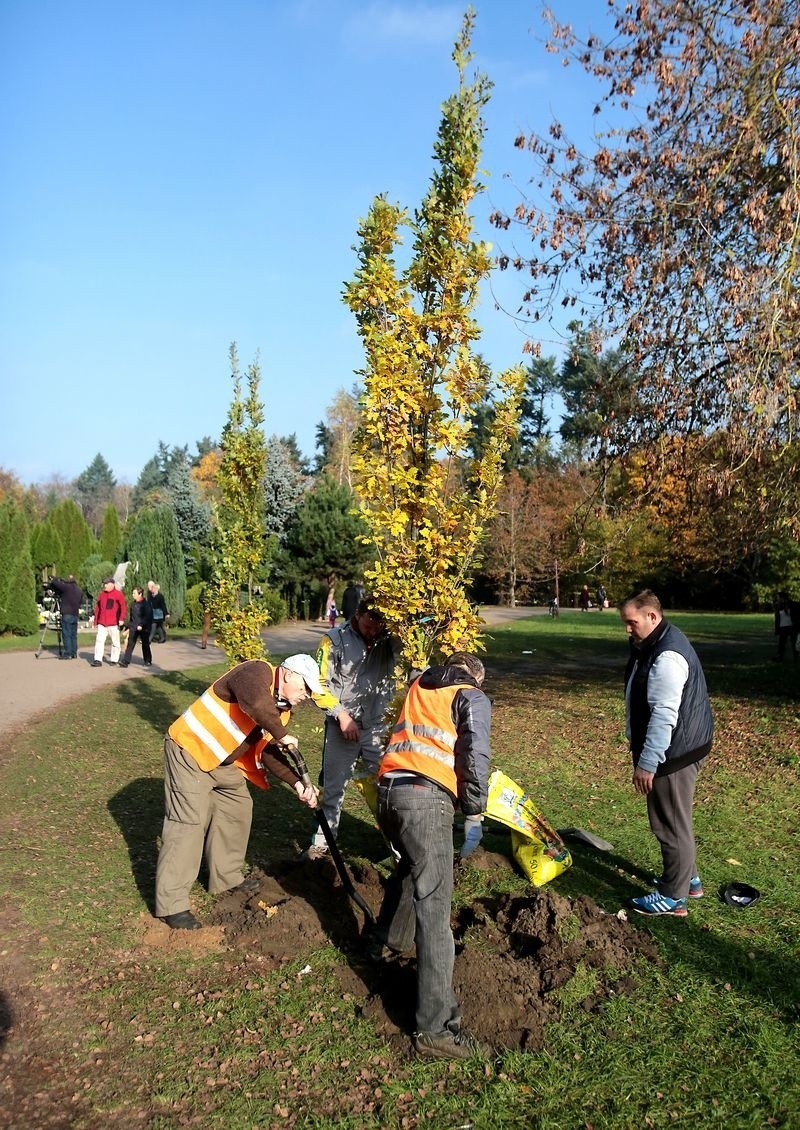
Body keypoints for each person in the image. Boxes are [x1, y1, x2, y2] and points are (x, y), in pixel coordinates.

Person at [369, 652, 492, 1061]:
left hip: (389, 793)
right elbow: (475, 756)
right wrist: (473, 811)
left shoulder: (421, 686)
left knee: (410, 866)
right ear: (475, 676)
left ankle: (385, 942)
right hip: (424, 800)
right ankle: (436, 1029)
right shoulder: (470, 696)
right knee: (435, 909)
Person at [154, 654, 329, 929]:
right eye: (305, 687)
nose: (306, 696)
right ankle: (172, 905)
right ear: (287, 674)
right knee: (188, 823)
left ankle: (226, 879)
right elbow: (256, 703)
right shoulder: (256, 672)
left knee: (237, 809)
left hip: (223, 762)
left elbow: (269, 751)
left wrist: (297, 782)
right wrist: (282, 734)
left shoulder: (280, 711)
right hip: (189, 750)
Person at [619, 589, 713, 917]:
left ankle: (674, 897)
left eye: (632, 622)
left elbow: (663, 715)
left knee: (669, 823)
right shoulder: (659, 641)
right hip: (684, 744)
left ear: (652, 617)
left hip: (675, 752)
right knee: (678, 817)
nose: (627, 629)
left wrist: (647, 764)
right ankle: (689, 880)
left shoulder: (667, 656)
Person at [303, 598, 401, 860]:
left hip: (378, 726)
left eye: (380, 623)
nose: (374, 628)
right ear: (357, 614)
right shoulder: (333, 640)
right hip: (341, 727)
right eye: (370, 621)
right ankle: (322, 844)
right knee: (333, 788)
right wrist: (340, 715)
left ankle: (399, 846)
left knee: (390, 786)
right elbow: (318, 685)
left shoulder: (391, 637)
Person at [91, 578, 127, 667]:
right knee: (99, 641)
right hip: (102, 622)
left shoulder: (118, 594)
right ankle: (97, 659)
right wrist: (96, 620)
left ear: (112, 584)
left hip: (113, 623)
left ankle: (114, 659)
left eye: (106, 584)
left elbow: (123, 607)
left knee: (115, 642)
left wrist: (121, 618)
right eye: (104, 584)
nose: (105, 586)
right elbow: (98, 608)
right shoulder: (102, 595)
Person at [47, 574, 83, 659]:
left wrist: (54, 579)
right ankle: (74, 653)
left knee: (66, 633)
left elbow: (56, 583)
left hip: (67, 613)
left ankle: (68, 653)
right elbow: (81, 601)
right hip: (75, 614)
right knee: (73, 635)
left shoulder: (66, 587)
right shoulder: (79, 590)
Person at [119, 587, 153, 668]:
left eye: (134, 593)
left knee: (145, 644)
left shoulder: (146, 604)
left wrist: (141, 624)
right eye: (133, 593)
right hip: (134, 627)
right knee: (130, 643)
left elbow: (147, 616)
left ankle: (147, 660)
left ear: (140, 594)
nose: (133, 595)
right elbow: (132, 617)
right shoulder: (133, 604)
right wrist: (128, 627)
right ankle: (126, 661)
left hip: (144, 628)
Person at [774, 591, 799, 661]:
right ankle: (780, 656)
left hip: (792, 626)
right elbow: (778, 617)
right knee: (782, 642)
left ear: (782, 598)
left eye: (778, 597)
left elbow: (796, 615)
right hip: (783, 627)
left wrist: (796, 624)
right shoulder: (779, 605)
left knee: (794, 642)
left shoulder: (793, 604)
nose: (777, 598)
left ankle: (796, 657)